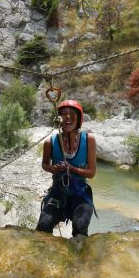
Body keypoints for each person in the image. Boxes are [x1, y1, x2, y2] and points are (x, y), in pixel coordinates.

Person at [36, 100, 97, 237]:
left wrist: (71, 168)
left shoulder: (89, 140)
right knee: (43, 225)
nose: (67, 117)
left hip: (80, 196)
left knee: (80, 226)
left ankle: (79, 257)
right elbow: (45, 164)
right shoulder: (50, 142)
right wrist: (53, 169)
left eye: (72, 114)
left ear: (79, 118)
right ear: (58, 119)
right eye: (63, 114)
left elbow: (91, 173)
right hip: (57, 194)